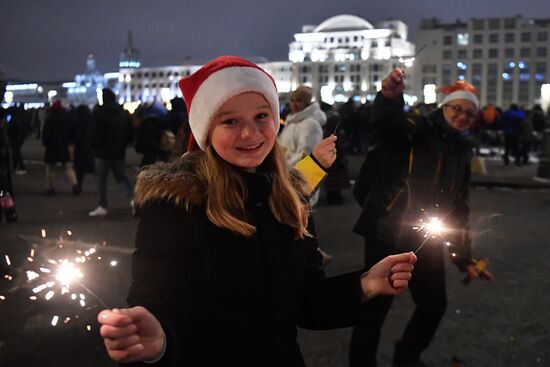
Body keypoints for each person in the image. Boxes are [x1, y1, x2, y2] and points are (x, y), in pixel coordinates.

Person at [97, 56, 417, 367]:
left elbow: (306, 301)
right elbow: (157, 304)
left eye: (261, 116)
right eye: (231, 121)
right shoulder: (177, 206)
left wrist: (364, 284)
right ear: (206, 130)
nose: (250, 134)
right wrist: (158, 345)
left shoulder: (288, 199)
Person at [350, 69, 493, 367]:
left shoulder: (461, 149)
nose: (463, 116)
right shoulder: (419, 126)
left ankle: (407, 358)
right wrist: (389, 98)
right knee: (373, 309)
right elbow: (388, 128)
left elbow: (458, 206)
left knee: (434, 305)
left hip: (428, 239)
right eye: (457, 108)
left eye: (470, 113)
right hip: (388, 231)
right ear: (445, 106)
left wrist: (465, 258)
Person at [88, 88, 134, 217]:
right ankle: (133, 200)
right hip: (119, 152)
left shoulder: (98, 113)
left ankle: (102, 206)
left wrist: (94, 147)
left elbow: (93, 134)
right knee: (121, 177)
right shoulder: (123, 113)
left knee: (101, 180)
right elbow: (129, 134)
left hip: (102, 153)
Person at [41, 101, 79, 196]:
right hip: (63, 145)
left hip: (51, 146)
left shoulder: (49, 119)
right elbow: (70, 131)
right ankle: (75, 184)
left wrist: (45, 142)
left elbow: (45, 133)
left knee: (50, 167)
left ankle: (50, 188)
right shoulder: (65, 118)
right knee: (67, 166)